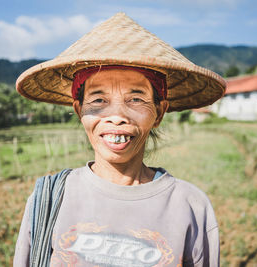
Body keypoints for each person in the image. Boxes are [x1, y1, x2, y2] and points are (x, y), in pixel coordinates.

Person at [13, 12, 226, 267]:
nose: (116, 116)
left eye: (135, 99)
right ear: (79, 110)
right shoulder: (49, 199)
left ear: (159, 112)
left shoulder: (191, 207)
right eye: (99, 100)